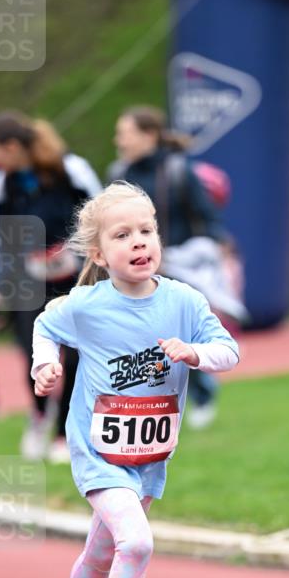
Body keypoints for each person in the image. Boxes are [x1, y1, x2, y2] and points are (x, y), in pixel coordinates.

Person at [31, 181, 239, 578]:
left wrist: (195, 354)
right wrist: (45, 364)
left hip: (148, 454)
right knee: (138, 542)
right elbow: (46, 325)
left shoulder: (184, 301)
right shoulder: (87, 305)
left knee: (104, 552)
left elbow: (229, 351)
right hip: (98, 452)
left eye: (146, 230)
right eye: (123, 235)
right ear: (100, 254)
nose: (139, 241)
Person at [0, 111, 102, 461]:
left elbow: (101, 217)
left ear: (11, 146)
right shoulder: (2, 183)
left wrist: (92, 264)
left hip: (74, 278)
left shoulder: (71, 168)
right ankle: (38, 415)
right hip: (27, 282)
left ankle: (64, 432)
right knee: (35, 355)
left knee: (76, 357)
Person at [109, 105, 229, 428]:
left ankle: (202, 395)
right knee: (141, 338)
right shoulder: (118, 173)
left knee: (177, 336)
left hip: (177, 268)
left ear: (148, 135)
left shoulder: (177, 169)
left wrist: (216, 245)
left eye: (125, 133)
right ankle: (152, 402)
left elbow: (206, 215)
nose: (118, 140)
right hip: (134, 270)